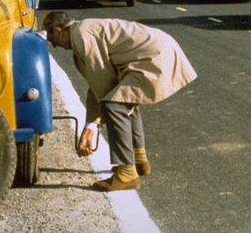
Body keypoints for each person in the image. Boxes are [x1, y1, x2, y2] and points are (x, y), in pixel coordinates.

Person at [42, 12, 197, 191]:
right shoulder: (82, 32)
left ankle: (127, 173)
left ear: (58, 30)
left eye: (52, 39)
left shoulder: (83, 37)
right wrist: (90, 124)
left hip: (155, 56)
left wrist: (92, 127)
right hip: (158, 49)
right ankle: (138, 159)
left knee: (114, 105)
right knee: (123, 98)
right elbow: (97, 86)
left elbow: (104, 86)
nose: (54, 46)